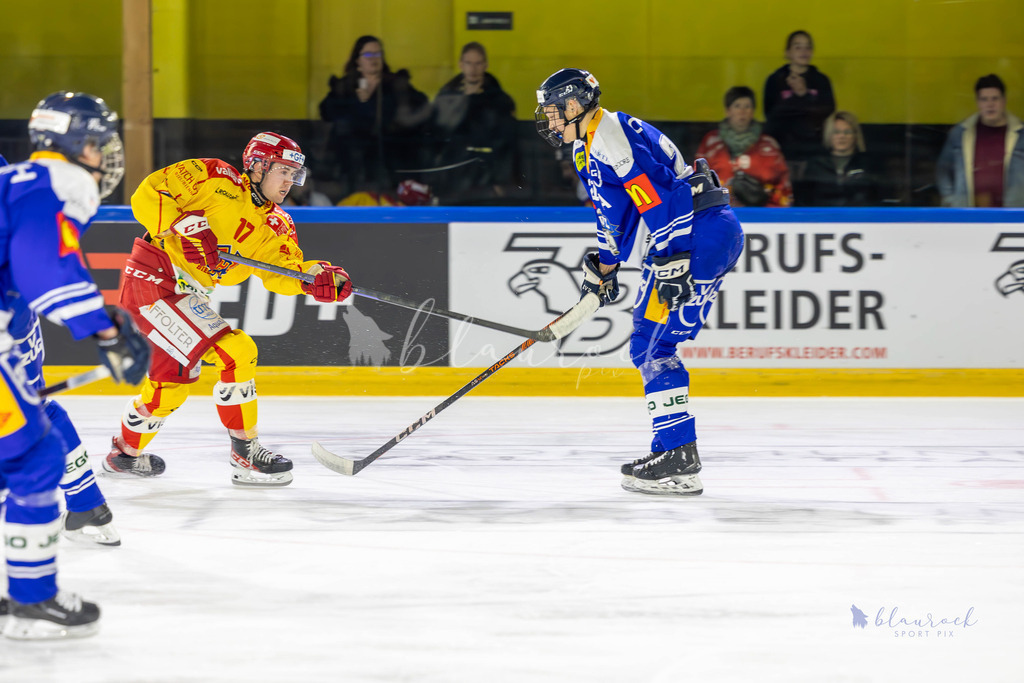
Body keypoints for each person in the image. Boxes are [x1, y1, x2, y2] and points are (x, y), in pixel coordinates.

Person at [535, 69, 744, 496]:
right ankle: (670, 449)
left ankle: (679, 458)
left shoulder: (608, 136)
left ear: (575, 104)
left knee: (652, 346)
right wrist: (606, 266)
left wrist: (672, 258)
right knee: (653, 344)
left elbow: (662, 197)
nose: (550, 120)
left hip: (696, 236)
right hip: (704, 234)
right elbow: (615, 215)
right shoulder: (588, 143)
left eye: (554, 111)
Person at [104, 132, 353, 487]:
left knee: (170, 387)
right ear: (258, 166)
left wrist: (315, 278)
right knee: (237, 350)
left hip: (188, 296)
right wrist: (183, 225)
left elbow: (283, 270)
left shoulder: (277, 224)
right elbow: (148, 192)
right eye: (282, 170)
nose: (289, 182)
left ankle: (123, 455)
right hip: (153, 281)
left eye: (294, 174)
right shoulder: (215, 177)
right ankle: (245, 453)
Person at [0, 91, 151, 639]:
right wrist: (106, 332)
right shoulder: (57, 181)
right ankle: (31, 601)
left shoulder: (13, 179)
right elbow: (44, 268)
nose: (103, 154)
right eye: (96, 141)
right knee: (35, 457)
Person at [318, 35, 431, 197]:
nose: (374, 59)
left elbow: (421, 106)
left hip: (390, 156)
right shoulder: (345, 86)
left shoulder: (396, 84)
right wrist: (357, 103)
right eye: (368, 54)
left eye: (378, 54)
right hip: (353, 162)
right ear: (357, 60)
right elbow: (327, 112)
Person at [430, 42, 517, 203]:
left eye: (478, 63)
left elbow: (506, 143)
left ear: (485, 65)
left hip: (485, 176)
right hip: (452, 174)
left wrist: (499, 181)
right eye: (469, 63)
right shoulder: (446, 98)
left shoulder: (499, 102)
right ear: (461, 65)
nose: (473, 69)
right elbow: (435, 139)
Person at [696, 86, 793, 207]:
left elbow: (783, 187)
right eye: (737, 106)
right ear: (728, 111)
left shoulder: (769, 145)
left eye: (747, 106)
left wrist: (771, 211)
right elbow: (699, 179)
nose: (742, 111)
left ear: (753, 111)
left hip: (761, 213)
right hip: (719, 211)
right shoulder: (711, 142)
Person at [936, 74, 1024, 207]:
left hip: (1013, 214)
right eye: (984, 99)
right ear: (977, 102)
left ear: (1004, 101)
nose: (990, 104)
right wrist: (951, 200)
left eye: (995, 99)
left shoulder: (1021, 134)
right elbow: (943, 170)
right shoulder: (960, 134)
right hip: (969, 214)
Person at [763, 30, 836, 166]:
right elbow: (771, 114)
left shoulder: (821, 80)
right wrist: (797, 100)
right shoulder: (775, 80)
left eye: (808, 47)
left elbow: (827, 111)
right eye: (798, 47)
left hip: (814, 150)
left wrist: (804, 95)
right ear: (787, 53)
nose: (804, 51)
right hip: (783, 149)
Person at [797, 111, 878, 206]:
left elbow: (876, 196)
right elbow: (805, 199)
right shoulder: (816, 165)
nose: (842, 136)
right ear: (829, 135)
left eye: (847, 132)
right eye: (836, 132)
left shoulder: (867, 164)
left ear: (855, 136)